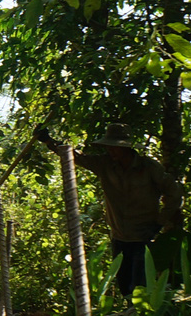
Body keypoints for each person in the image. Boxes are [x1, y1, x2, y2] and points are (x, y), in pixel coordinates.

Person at [72, 122, 180, 296]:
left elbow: (174, 194)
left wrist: (159, 223)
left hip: (143, 238)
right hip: (119, 238)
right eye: (109, 147)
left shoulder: (149, 168)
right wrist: (49, 142)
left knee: (140, 288)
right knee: (124, 287)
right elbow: (76, 157)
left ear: (127, 148)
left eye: (115, 148)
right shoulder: (105, 165)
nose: (111, 151)